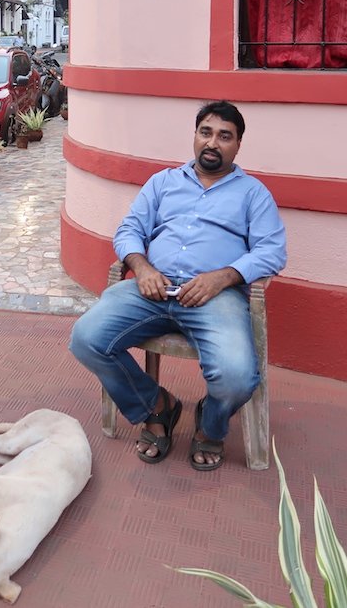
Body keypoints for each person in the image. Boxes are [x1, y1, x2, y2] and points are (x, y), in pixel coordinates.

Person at [69, 101, 286, 471]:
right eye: (206, 132)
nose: (212, 143)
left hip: (214, 298)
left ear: (238, 145)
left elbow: (273, 251)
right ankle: (158, 407)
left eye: (224, 136)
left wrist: (224, 276)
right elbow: (129, 231)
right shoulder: (163, 183)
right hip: (152, 291)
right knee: (86, 338)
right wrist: (142, 267)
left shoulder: (253, 194)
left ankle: (210, 425)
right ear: (195, 136)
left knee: (236, 377)